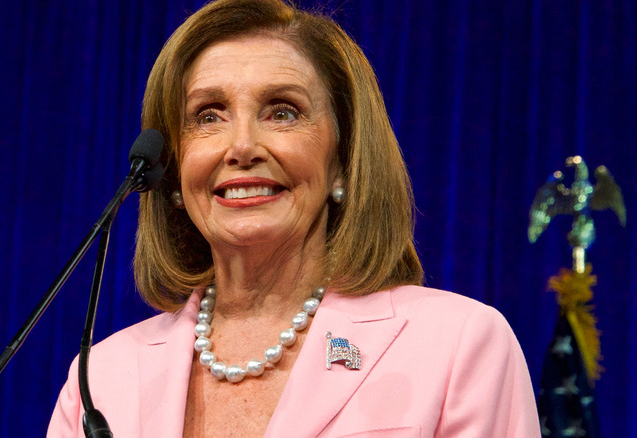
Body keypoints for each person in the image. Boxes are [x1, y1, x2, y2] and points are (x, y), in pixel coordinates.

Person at [48, 0, 541, 436]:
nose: (241, 147)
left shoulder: (458, 345)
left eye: (282, 112)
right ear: (173, 171)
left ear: (342, 160)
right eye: (207, 115)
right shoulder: (101, 381)